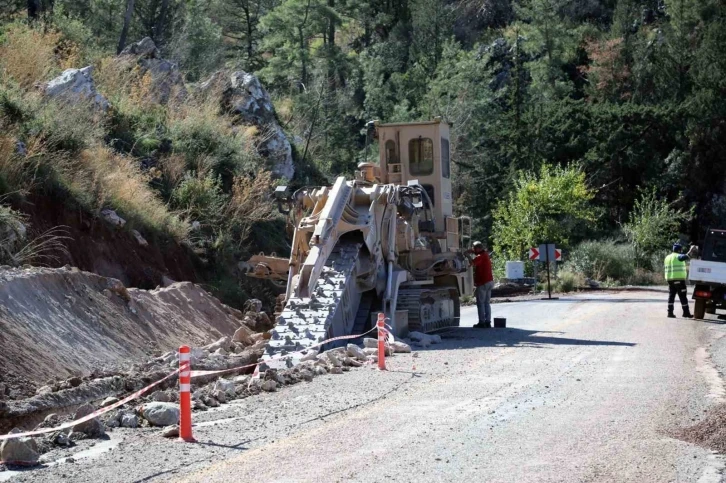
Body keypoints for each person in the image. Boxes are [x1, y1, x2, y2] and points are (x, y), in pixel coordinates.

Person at [664, 242, 698, 318]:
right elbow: (686, 256)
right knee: (683, 296)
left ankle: (670, 313)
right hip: (678, 280)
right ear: (679, 250)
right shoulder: (678, 256)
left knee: (671, 296)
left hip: (670, 280)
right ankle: (686, 313)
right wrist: (691, 250)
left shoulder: (667, 257)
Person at [467, 241, 494, 329]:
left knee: (480, 303)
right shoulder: (485, 254)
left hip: (483, 283)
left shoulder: (480, 257)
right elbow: (477, 254)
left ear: (478, 248)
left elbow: (472, 263)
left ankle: (482, 322)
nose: (474, 250)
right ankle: (488, 322)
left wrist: (467, 255)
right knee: (487, 303)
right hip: (489, 281)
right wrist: (472, 251)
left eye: (474, 248)